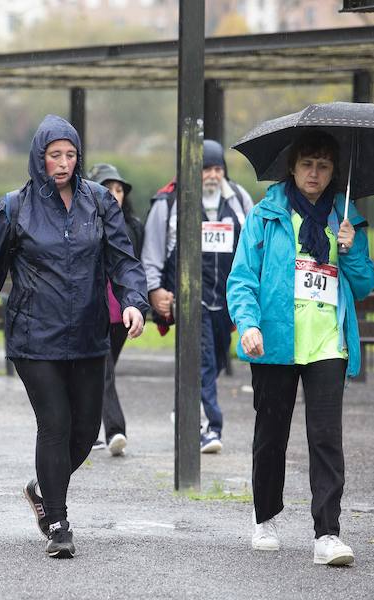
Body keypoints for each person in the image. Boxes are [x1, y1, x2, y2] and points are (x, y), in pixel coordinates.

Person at [0, 115, 148, 559]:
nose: (63, 163)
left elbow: (124, 260)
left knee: (85, 431)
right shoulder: (13, 208)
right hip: (35, 337)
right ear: (39, 157)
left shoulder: (100, 201)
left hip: (88, 333)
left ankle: (42, 486)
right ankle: (58, 522)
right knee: (56, 423)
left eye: (70, 155)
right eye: (54, 155)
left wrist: (133, 301)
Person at [226, 130, 374, 566]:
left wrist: (348, 250)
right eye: (307, 164)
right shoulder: (266, 215)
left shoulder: (345, 220)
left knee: (326, 437)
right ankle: (265, 516)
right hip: (274, 341)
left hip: (328, 341)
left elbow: (363, 286)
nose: (315, 173)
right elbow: (242, 279)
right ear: (292, 167)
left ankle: (327, 533)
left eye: (324, 166)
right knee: (271, 436)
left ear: (334, 173)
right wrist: (248, 323)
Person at [142, 139, 254, 454]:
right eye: (206, 168)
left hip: (228, 299)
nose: (213, 175)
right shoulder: (168, 202)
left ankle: (189, 409)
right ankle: (211, 427)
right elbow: (152, 253)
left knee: (216, 359)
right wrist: (155, 290)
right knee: (203, 360)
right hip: (189, 298)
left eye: (218, 168)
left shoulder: (239, 199)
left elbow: (254, 244)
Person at [86, 163, 144, 457]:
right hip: (93, 310)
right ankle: (115, 429)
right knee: (104, 371)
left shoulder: (132, 226)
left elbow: (137, 267)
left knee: (102, 372)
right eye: (108, 188)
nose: (115, 194)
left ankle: (88, 428)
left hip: (122, 311)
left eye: (119, 189)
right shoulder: (83, 223)